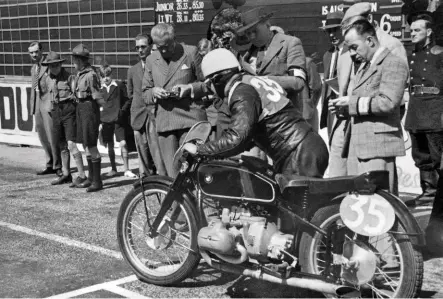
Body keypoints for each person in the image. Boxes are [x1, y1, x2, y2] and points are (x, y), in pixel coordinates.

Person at [183, 48, 329, 178]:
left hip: (298, 153)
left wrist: (200, 150)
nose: (210, 89)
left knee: (295, 208)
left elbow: (237, 139)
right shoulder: (250, 82)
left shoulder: (241, 92)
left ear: (218, 79)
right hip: (304, 147)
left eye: (209, 84)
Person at [329, 19, 408, 194]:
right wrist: (343, 109)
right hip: (357, 148)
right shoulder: (364, 66)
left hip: (377, 149)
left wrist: (351, 103)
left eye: (354, 47)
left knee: (380, 206)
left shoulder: (393, 63)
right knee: (360, 204)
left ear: (370, 41)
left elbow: (388, 102)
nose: (351, 53)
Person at [143, 23, 208, 177]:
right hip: (165, 123)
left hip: (191, 119)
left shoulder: (191, 52)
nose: (164, 50)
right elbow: (144, 93)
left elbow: (208, 84)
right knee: (173, 175)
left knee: (191, 170)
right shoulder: (151, 59)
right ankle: (175, 202)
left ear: (174, 40)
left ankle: (195, 200)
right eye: (159, 47)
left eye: (167, 46)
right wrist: (154, 91)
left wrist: (189, 89)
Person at [236, 7, 309, 113]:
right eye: (247, 33)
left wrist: (260, 81)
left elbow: (298, 82)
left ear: (267, 25)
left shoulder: (290, 43)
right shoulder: (246, 56)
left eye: (255, 31)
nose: (251, 36)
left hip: (285, 117)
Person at [404, 14, 443, 206]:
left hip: (435, 110)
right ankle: (428, 192)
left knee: (437, 155)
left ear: (429, 32)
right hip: (416, 109)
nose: (412, 33)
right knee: (420, 155)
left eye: (417, 30)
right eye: (411, 30)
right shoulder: (411, 56)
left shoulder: (440, 54)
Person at [41, 51, 87, 186]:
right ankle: (66, 174)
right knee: (61, 144)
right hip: (55, 110)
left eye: (56, 64)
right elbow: (45, 94)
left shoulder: (69, 77)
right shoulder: (47, 78)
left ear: (60, 64)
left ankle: (82, 175)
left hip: (68, 110)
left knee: (71, 143)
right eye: (51, 65)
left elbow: (76, 96)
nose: (54, 67)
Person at [318, 11, 350, 177]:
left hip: (346, 109)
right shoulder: (327, 55)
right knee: (335, 149)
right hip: (331, 111)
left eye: (335, 30)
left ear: (344, 29)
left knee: (344, 151)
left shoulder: (352, 52)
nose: (332, 35)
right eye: (328, 31)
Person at [70, 44, 105, 192]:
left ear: (82, 60)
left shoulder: (91, 75)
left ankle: (97, 181)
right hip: (81, 108)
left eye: (76, 59)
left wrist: (101, 115)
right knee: (85, 144)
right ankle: (91, 178)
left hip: (90, 109)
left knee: (91, 144)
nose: (74, 62)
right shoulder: (79, 74)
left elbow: (97, 96)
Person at [128, 34, 163, 177]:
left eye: (143, 46)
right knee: (141, 148)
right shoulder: (132, 70)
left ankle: (161, 177)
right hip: (137, 114)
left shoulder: (159, 66)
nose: (140, 50)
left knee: (156, 148)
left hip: (154, 112)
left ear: (150, 47)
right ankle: (146, 178)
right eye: (137, 47)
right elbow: (130, 93)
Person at [29, 41, 61, 176]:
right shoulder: (33, 69)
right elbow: (33, 88)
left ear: (41, 51)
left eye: (36, 52)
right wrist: (32, 106)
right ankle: (49, 163)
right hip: (37, 103)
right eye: (31, 53)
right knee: (42, 135)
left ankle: (58, 166)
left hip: (47, 102)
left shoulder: (47, 65)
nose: (34, 55)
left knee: (52, 135)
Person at [99, 64, 137, 179]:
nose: (106, 78)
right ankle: (113, 169)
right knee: (109, 144)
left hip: (118, 119)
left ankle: (127, 169)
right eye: (103, 76)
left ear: (111, 74)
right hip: (105, 120)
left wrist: (122, 111)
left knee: (123, 143)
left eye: (108, 75)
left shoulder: (119, 85)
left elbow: (128, 99)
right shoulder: (100, 88)